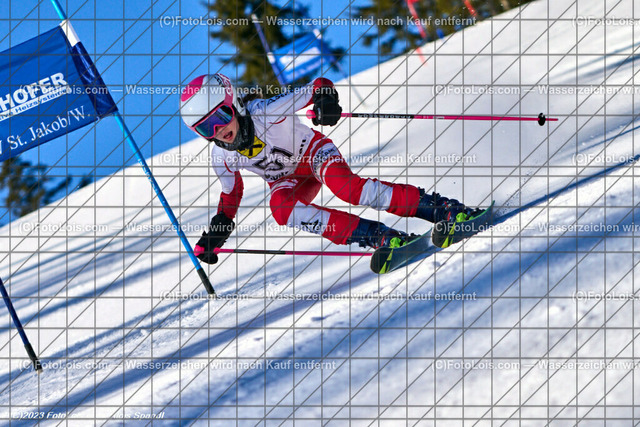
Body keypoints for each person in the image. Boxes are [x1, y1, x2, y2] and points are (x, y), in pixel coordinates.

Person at [180, 73, 477, 266]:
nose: (219, 131)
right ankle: (380, 237)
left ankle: (443, 209)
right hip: (287, 180)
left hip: (313, 154)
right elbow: (231, 197)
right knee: (281, 209)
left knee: (347, 188)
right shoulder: (222, 157)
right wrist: (216, 234)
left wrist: (325, 102)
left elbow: (318, 86)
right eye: (206, 128)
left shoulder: (265, 111)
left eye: (221, 117)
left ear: (234, 104)